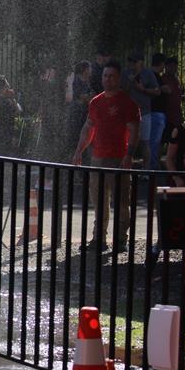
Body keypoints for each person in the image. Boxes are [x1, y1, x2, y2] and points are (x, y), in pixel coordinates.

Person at [72, 61, 141, 252]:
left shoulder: (128, 103)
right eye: (104, 76)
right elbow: (88, 128)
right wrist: (79, 150)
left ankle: (121, 240)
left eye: (111, 76)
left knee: (121, 202)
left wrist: (129, 156)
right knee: (99, 201)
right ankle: (98, 239)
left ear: (118, 78)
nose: (107, 79)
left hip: (119, 158)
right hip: (97, 159)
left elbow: (135, 130)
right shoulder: (96, 102)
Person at [122, 53, 160, 169]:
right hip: (128, 114)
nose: (131, 64)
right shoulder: (126, 73)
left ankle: (146, 170)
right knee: (128, 142)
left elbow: (157, 91)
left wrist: (143, 89)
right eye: (130, 61)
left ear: (141, 62)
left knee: (145, 142)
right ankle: (126, 167)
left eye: (134, 61)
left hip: (144, 113)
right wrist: (130, 82)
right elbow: (122, 92)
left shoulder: (148, 73)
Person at [65, 61, 93, 160]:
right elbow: (80, 96)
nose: (91, 70)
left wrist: (87, 98)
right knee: (75, 136)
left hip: (85, 112)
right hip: (76, 113)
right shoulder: (76, 80)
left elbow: (89, 97)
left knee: (85, 135)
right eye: (89, 68)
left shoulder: (87, 81)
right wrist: (86, 98)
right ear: (84, 69)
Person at [149, 53, 168, 169]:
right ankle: (152, 167)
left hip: (156, 113)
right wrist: (161, 89)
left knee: (154, 142)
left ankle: (152, 165)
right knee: (153, 142)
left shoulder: (155, 76)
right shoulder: (152, 75)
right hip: (155, 113)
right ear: (161, 63)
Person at [162, 56, 184, 146]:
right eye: (170, 66)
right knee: (162, 141)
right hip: (167, 117)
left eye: (175, 66)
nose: (173, 68)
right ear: (166, 66)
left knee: (175, 142)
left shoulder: (176, 80)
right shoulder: (162, 79)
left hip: (176, 116)